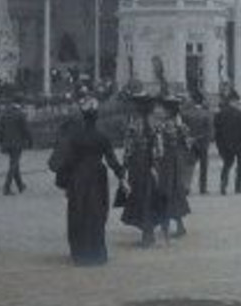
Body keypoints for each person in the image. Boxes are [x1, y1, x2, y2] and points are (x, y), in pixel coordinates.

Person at [54, 92, 124, 265]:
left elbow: (68, 160)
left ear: (83, 115)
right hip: (98, 177)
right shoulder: (102, 137)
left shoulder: (75, 137)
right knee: (97, 213)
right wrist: (122, 175)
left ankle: (80, 252)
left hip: (78, 176)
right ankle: (97, 251)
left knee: (78, 212)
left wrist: (63, 181)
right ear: (96, 116)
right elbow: (112, 160)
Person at [120, 89, 165, 247]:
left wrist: (124, 167)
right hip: (152, 165)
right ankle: (149, 231)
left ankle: (147, 233)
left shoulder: (133, 123)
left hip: (137, 165)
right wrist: (156, 164)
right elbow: (159, 149)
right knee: (151, 197)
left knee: (140, 197)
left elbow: (128, 148)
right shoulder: (154, 123)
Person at [155, 95, 192, 239]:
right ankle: (178, 225)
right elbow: (188, 144)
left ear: (169, 110)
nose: (162, 110)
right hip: (177, 160)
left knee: (165, 191)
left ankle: (166, 225)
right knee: (175, 192)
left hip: (167, 161)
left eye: (164, 108)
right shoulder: (181, 124)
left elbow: (158, 146)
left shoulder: (165, 125)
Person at [213, 92, 241, 195]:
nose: (238, 103)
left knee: (227, 164)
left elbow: (217, 131)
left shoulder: (219, 114)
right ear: (233, 101)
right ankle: (238, 187)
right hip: (239, 144)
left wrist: (219, 145)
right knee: (240, 165)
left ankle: (223, 184)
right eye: (237, 101)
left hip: (225, 144)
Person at [0, 99, 32, 195]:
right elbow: (26, 129)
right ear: (21, 103)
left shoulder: (5, 113)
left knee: (14, 163)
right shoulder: (20, 114)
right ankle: (6, 187)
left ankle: (20, 185)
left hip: (6, 143)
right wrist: (30, 141)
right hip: (17, 143)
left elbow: (0, 128)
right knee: (14, 164)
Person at [185, 96, 213, 195]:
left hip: (191, 142)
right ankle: (202, 187)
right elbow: (210, 131)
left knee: (189, 165)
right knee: (204, 166)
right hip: (203, 142)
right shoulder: (207, 114)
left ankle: (187, 186)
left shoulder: (187, 114)